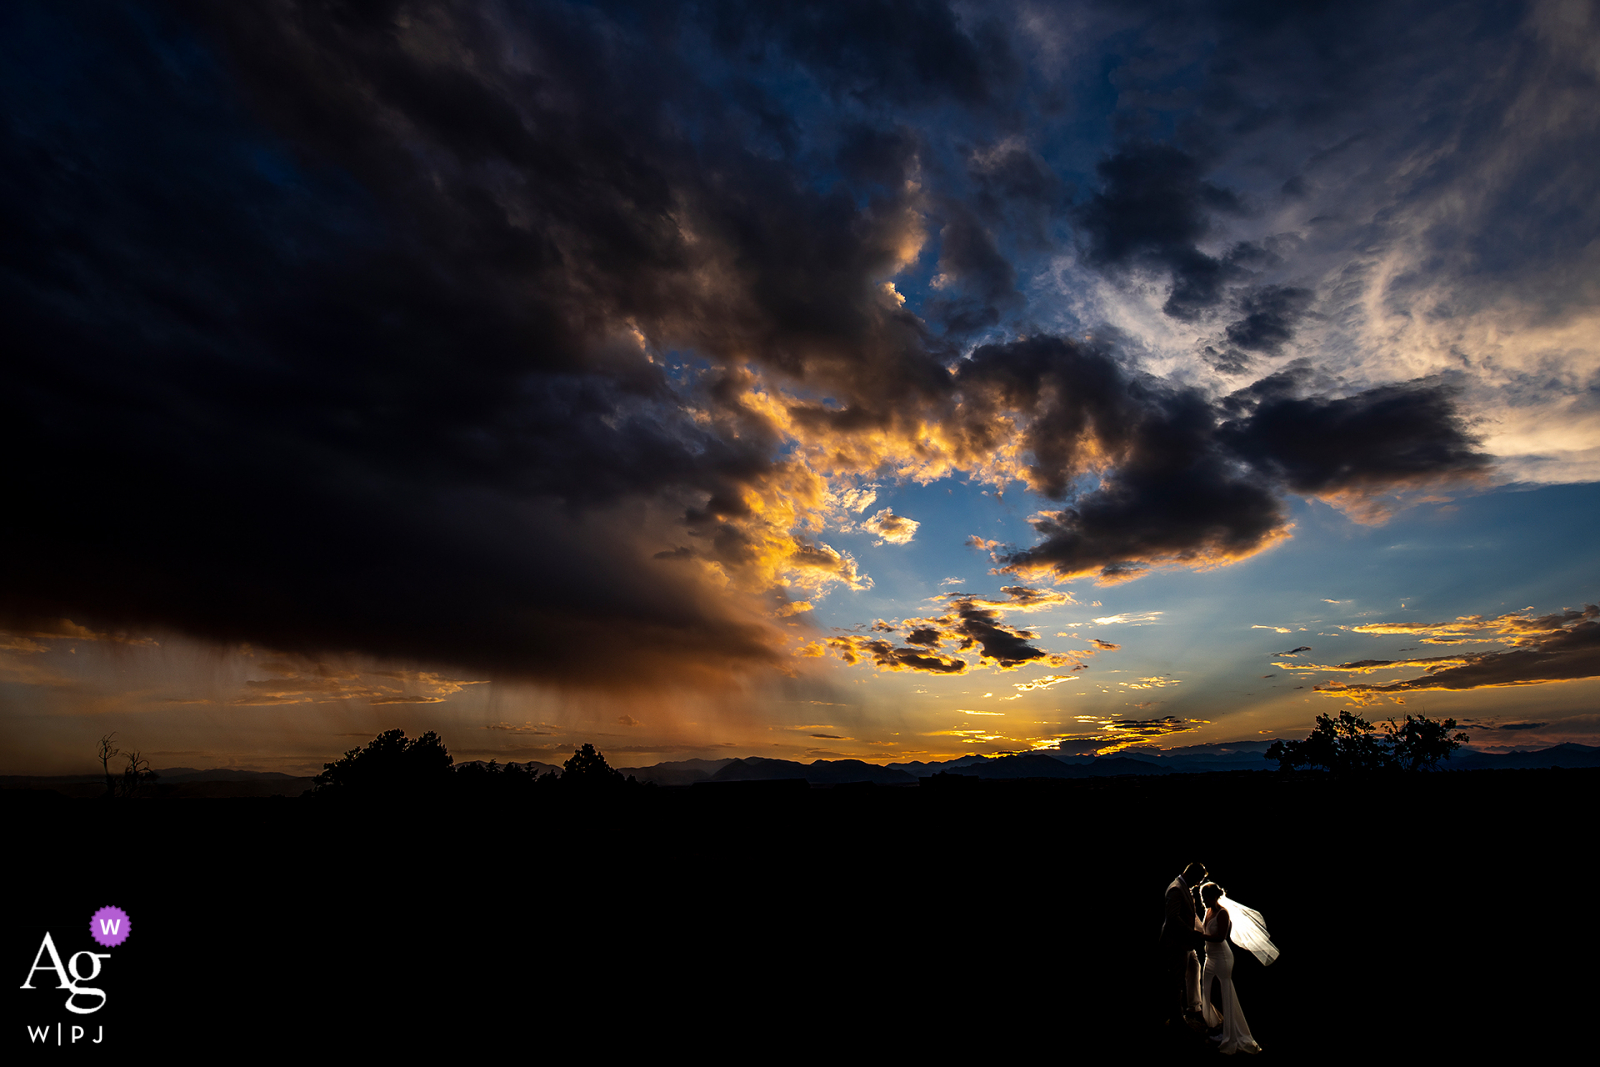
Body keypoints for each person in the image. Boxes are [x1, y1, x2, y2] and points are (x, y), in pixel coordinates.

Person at [1197, 881, 1276, 1055]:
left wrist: (1200, 935)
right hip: (1210, 957)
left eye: (1206, 897)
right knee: (1208, 990)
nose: (1203, 900)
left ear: (1214, 897)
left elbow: (1219, 937)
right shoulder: (1207, 911)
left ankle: (1229, 1030)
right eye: (1202, 897)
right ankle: (1220, 1024)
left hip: (1223, 957)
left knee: (1224, 991)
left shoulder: (1223, 913)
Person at [1159, 861, 1207, 1023]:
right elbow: (1173, 917)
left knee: (1194, 967)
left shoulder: (1184, 887)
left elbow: (1189, 914)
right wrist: (1191, 933)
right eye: (1199, 879)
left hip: (1185, 942)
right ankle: (1176, 1017)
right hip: (1176, 942)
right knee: (1177, 980)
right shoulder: (1176, 889)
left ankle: (1194, 1007)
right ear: (1191, 874)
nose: (1199, 883)